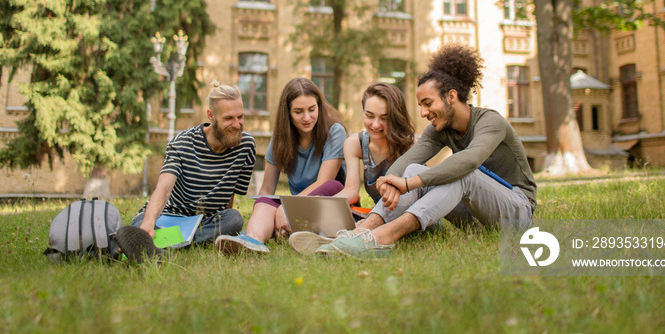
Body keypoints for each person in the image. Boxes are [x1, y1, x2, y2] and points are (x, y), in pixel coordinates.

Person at [321, 43, 537, 258]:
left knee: (463, 174)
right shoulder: (440, 129)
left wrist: (408, 184)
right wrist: (391, 179)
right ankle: (359, 233)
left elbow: (469, 161)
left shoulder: (491, 122)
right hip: (474, 219)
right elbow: (408, 161)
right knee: (414, 168)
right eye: (421, 105)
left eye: (428, 103)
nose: (423, 112)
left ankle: (382, 239)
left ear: (451, 97)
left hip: (516, 211)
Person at [115, 81, 256, 262]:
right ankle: (153, 239)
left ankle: (157, 246)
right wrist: (149, 224)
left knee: (234, 219)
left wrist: (223, 227)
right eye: (229, 118)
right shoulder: (183, 142)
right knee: (141, 223)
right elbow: (164, 187)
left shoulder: (246, 145)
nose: (237, 125)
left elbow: (229, 196)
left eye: (240, 117)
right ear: (211, 116)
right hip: (168, 216)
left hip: (202, 222)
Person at [216, 77, 346, 254]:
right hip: (297, 209)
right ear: (288, 113)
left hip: (328, 205)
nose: (307, 117)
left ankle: (301, 230)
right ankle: (252, 240)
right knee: (265, 200)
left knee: (333, 185)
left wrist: (288, 206)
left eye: (312, 109)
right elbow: (267, 188)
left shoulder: (335, 132)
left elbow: (324, 183)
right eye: (298, 112)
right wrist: (264, 209)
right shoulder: (280, 139)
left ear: (319, 107)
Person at [288, 82, 415, 254]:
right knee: (345, 215)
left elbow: (416, 194)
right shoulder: (355, 143)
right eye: (369, 116)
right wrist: (317, 209)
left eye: (384, 118)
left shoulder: (409, 146)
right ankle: (338, 238)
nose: (376, 125)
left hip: (410, 217)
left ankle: (348, 238)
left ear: (396, 117)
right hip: (380, 216)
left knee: (365, 223)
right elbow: (351, 192)